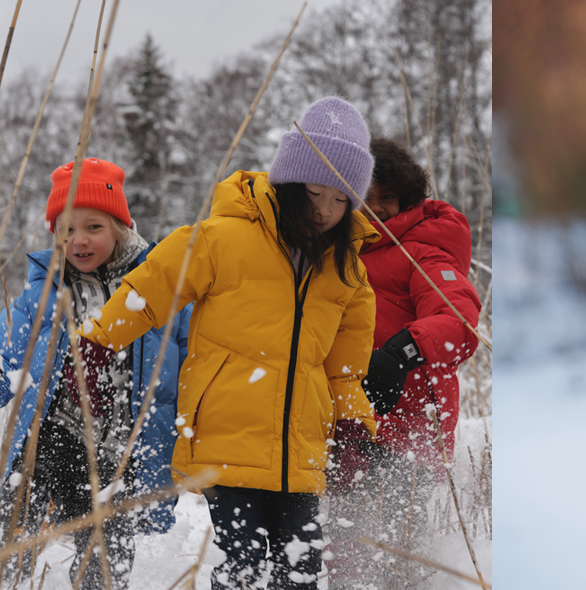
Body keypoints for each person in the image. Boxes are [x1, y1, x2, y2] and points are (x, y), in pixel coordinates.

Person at [77, 97, 381, 589]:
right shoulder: (224, 238)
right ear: (289, 182)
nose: (326, 209)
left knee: (301, 568)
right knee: (243, 563)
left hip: (299, 448)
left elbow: (344, 368)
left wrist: (350, 421)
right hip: (229, 431)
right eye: (316, 191)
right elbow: (153, 284)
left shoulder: (348, 270)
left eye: (341, 199)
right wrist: (99, 340)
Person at [0, 158, 190, 589]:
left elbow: (190, 359)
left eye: (93, 227)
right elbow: (5, 355)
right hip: (48, 440)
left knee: (104, 562)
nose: (78, 240)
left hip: (118, 451)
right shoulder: (44, 293)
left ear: (121, 229)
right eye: (66, 229)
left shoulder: (158, 290)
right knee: (13, 537)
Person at [324, 137, 481, 588]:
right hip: (345, 425)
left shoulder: (420, 249)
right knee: (339, 555)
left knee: (389, 557)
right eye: (363, 198)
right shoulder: (334, 252)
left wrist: (401, 352)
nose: (374, 210)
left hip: (405, 429)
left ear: (407, 201)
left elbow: (458, 320)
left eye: (387, 198)